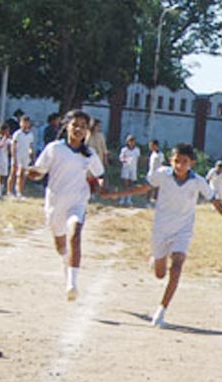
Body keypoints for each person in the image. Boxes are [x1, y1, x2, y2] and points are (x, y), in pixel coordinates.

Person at [100, 143, 222, 327]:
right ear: (171, 161)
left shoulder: (198, 181)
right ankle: (157, 258)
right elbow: (142, 188)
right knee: (160, 274)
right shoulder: (162, 174)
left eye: (184, 162)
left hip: (183, 230)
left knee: (177, 266)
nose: (180, 165)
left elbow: (215, 201)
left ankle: (161, 311)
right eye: (176, 161)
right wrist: (115, 194)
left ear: (192, 163)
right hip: (161, 229)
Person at [26, 109, 105, 301]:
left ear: (87, 131)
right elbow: (39, 171)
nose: (78, 129)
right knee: (61, 246)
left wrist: (101, 184)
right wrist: (31, 173)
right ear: (67, 126)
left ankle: (72, 283)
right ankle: (65, 260)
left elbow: (100, 174)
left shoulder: (89, 154)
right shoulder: (54, 148)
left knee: (75, 235)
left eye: (83, 127)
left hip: (77, 202)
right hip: (55, 204)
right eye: (75, 125)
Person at [8, 115, 35, 198]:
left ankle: (19, 192)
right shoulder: (17, 134)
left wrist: (32, 156)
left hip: (25, 156)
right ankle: (9, 191)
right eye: (24, 122)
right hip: (17, 155)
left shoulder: (30, 134)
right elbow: (13, 146)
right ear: (20, 123)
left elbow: (31, 146)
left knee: (22, 174)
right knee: (13, 173)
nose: (25, 124)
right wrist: (14, 157)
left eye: (27, 123)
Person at [118, 134, 140, 206]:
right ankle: (122, 198)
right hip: (125, 168)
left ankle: (129, 199)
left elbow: (138, 158)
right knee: (125, 184)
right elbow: (121, 158)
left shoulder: (137, 150)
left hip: (133, 169)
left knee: (131, 184)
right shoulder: (124, 150)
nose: (132, 143)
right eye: (130, 141)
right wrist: (125, 160)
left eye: (133, 141)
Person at [146, 139, 164, 205]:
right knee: (149, 187)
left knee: (157, 187)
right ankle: (148, 201)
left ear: (156, 146)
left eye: (152, 145)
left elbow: (162, 164)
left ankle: (155, 200)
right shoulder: (152, 153)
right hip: (151, 173)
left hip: (157, 173)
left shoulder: (160, 154)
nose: (150, 147)